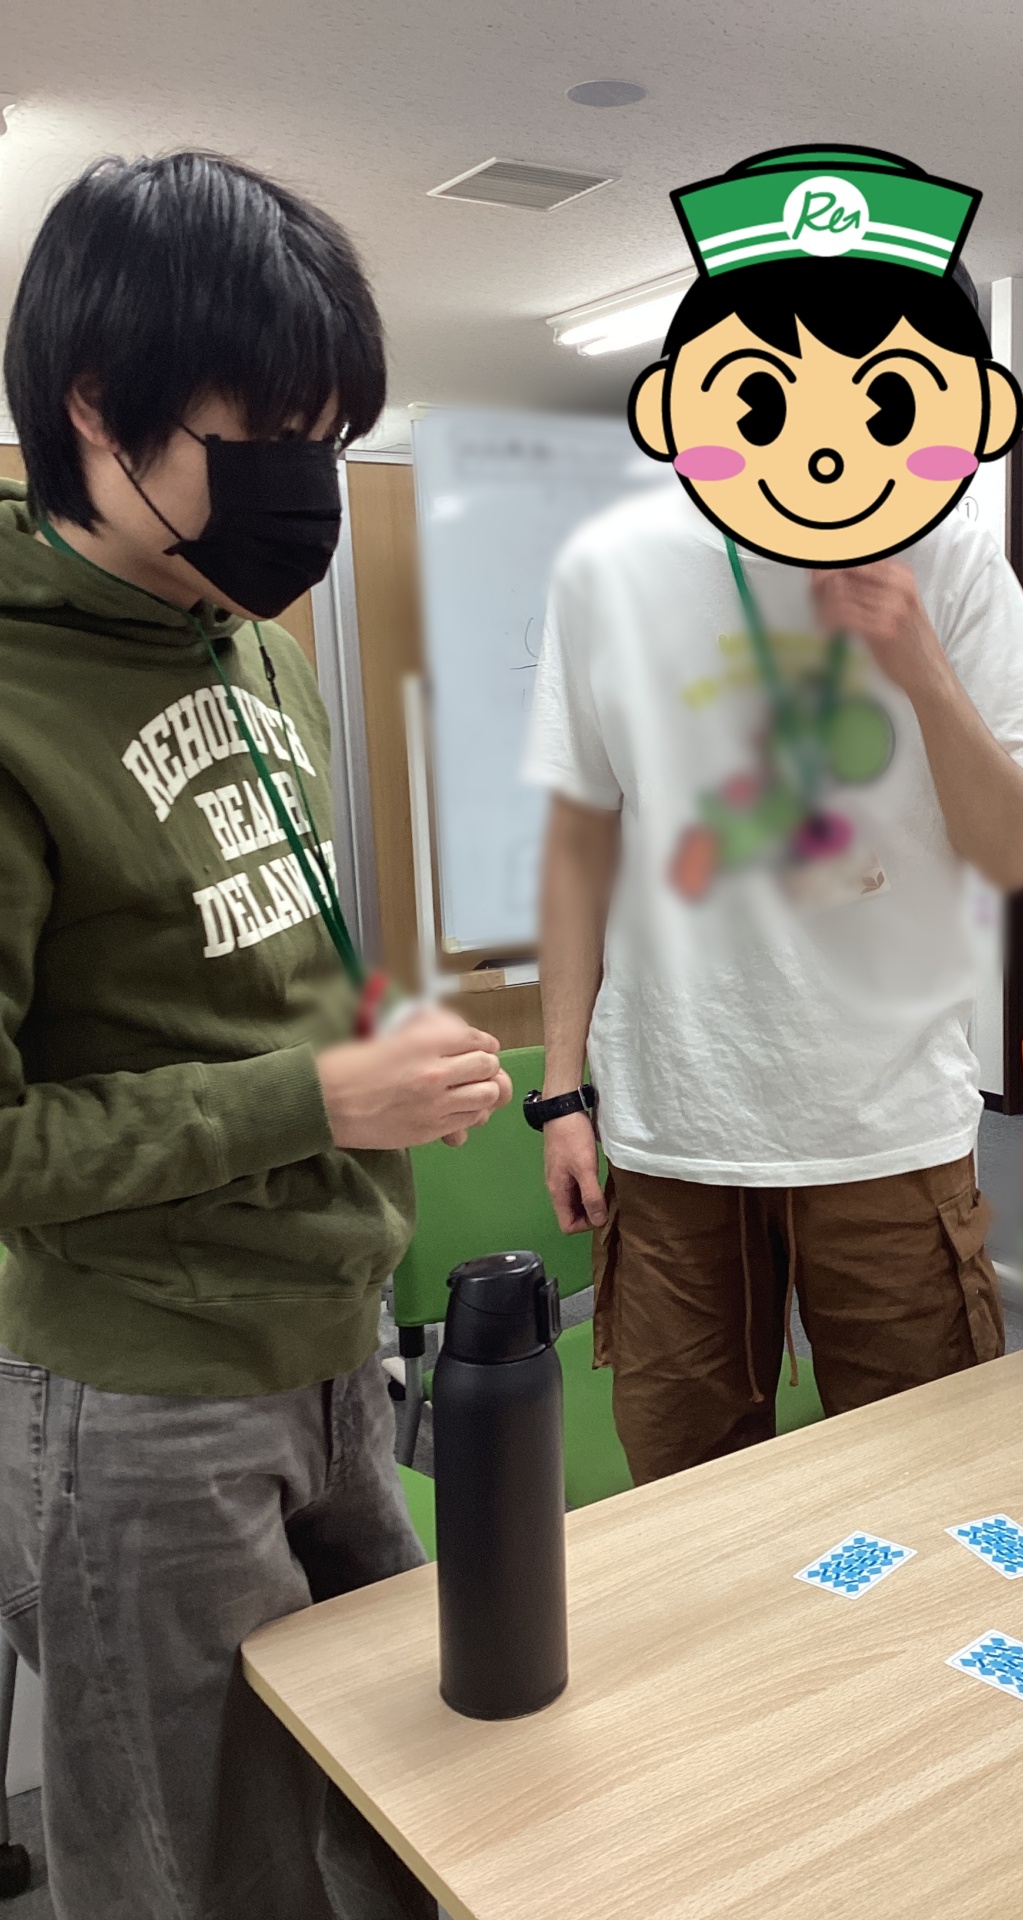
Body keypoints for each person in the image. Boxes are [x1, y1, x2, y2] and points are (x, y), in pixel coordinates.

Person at [0, 153, 510, 1920]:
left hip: (339, 1347)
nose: (306, 489)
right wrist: (318, 1094)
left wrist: (375, 1053)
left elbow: (250, 957)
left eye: (330, 438)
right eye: (265, 437)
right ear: (97, 406)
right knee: (202, 1873)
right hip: (143, 1396)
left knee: (408, 1823)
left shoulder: (259, 645)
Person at [524, 145, 1023, 1485]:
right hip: (674, 1119)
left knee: (928, 1481)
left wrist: (918, 663)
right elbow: (579, 842)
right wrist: (560, 1090)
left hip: (887, 1125)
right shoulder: (612, 567)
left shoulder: (952, 551)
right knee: (689, 1492)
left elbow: (1016, 848)